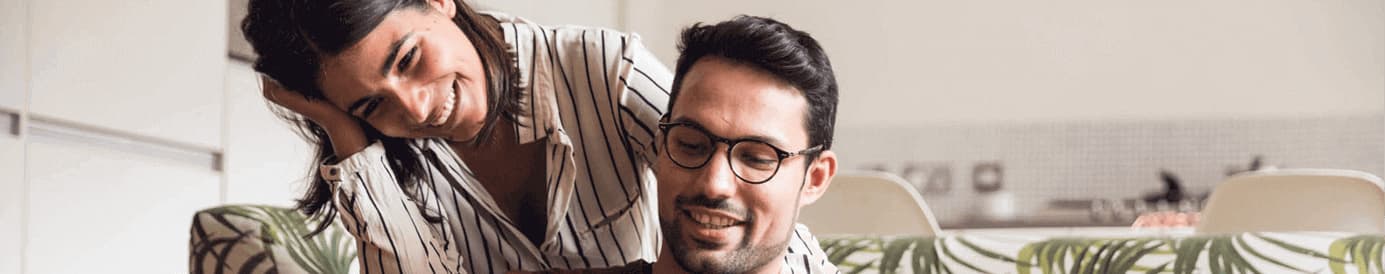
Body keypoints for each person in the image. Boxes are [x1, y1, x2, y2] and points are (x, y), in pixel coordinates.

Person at [240, 0, 824, 273]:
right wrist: (348, 133)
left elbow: (741, 198)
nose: (416, 107)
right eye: (372, 101)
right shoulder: (379, 159)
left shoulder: (602, 69)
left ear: (440, 2)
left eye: (409, 57)